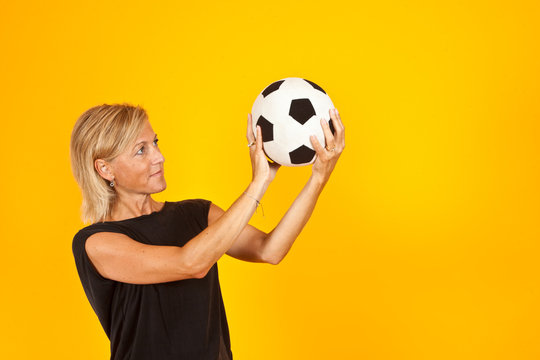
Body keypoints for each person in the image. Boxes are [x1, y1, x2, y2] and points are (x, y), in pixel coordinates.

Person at [70, 103, 345, 360]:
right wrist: (259, 182)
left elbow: (269, 250)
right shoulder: (96, 242)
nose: (160, 157)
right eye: (141, 150)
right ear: (105, 169)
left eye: (155, 143)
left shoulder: (196, 214)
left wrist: (318, 177)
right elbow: (190, 263)